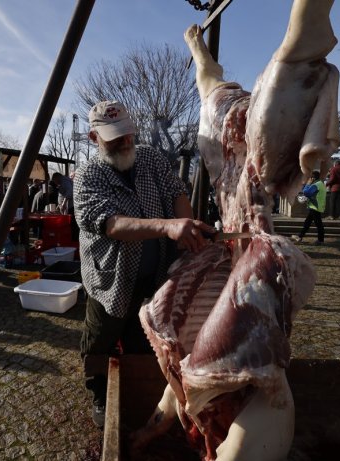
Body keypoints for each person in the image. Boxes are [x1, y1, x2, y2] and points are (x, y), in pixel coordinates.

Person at [74, 100, 214, 428]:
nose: (125, 142)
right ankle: (98, 392)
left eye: (128, 134)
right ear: (94, 138)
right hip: (110, 278)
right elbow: (112, 225)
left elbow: (177, 190)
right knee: (101, 337)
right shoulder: (87, 176)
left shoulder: (150, 157)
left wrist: (186, 226)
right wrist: (166, 226)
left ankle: (137, 385)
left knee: (144, 336)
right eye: (114, 138)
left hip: (155, 274)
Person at [292, 171, 326, 245]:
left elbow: (306, 192)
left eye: (310, 178)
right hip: (316, 206)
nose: (309, 179)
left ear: (313, 178)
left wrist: (307, 184)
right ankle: (300, 236)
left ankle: (320, 240)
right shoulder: (321, 184)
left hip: (315, 207)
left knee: (318, 224)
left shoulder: (316, 185)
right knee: (308, 222)